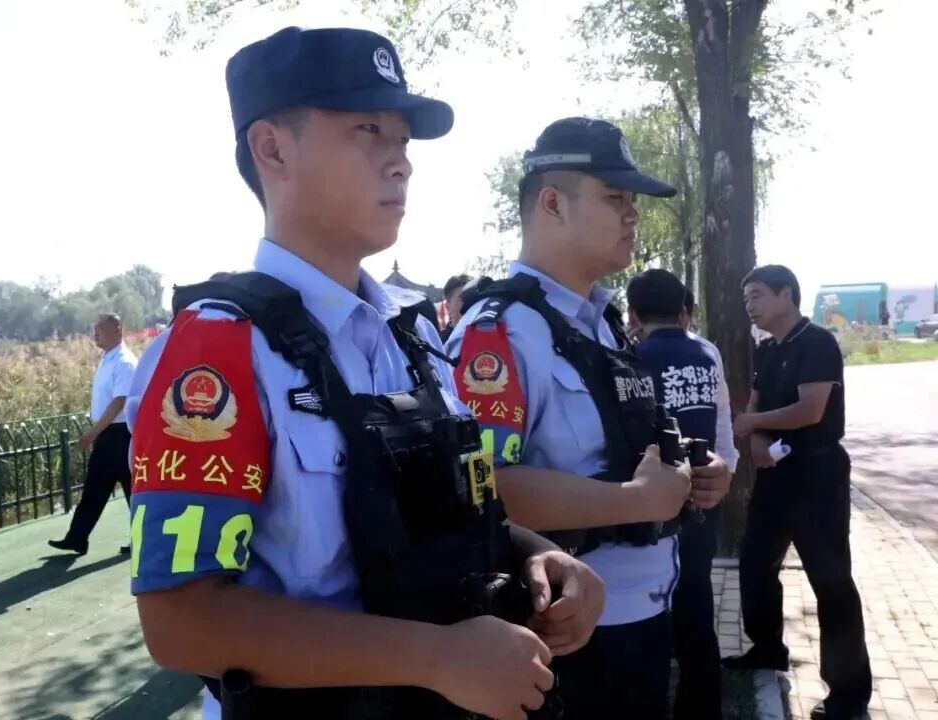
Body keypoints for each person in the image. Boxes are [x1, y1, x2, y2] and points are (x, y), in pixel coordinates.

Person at [125, 27, 605, 720]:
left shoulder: (414, 338)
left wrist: (536, 555)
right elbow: (180, 622)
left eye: (403, 139)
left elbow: (450, 511)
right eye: (367, 130)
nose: (400, 162)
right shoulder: (219, 348)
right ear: (271, 149)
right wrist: (435, 658)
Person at [445, 117, 732, 719]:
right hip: (568, 634)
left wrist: (690, 476)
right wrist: (638, 500)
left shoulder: (602, 326)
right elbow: (480, 490)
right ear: (552, 203)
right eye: (615, 197)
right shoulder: (499, 333)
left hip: (645, 613)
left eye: (632, 201)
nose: (633, 215)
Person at [726, 265, 872, 720]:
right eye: (746, 298)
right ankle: (767, 648)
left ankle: (848, 694)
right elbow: (754, 406)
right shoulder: (768, 349)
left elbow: (811, 410)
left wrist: (753, 424)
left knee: (830, 580)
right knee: (755, 564)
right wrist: (756, 440)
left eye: (756, 295)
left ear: (786, 295)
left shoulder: (817, 343)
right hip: (776, 474)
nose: (749, 306)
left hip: (817, 474)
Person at [627, 269, 730, 720]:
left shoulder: (631, 358)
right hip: (704, 494)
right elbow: (723, 427)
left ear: (633, 314)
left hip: (654, 501)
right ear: (684, 311)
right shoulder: (707, 353)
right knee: (696, 601)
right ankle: (702, 707)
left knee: (654, 608)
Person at [49, 313, 136, 556]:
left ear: (118, 329)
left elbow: (119, 402)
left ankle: (145, 540)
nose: (95, 334)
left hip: (121, 435)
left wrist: (92, 433)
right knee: (95, 488)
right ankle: (76, 538)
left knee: (133, 492)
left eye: (101, 329)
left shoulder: (124, 362)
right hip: (107, 435)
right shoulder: (107, 359)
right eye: (94, 330)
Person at [682, 288, 740, 474]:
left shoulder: (707, 351)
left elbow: (721, 410)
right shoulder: (632, 350)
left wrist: (728, 463)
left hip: (702, 466)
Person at [440, 273, 472, 343]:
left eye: (473, 299)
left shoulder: (486, 338)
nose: (470, 304)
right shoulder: (437, 342)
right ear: (448, 307)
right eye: (462, 299)